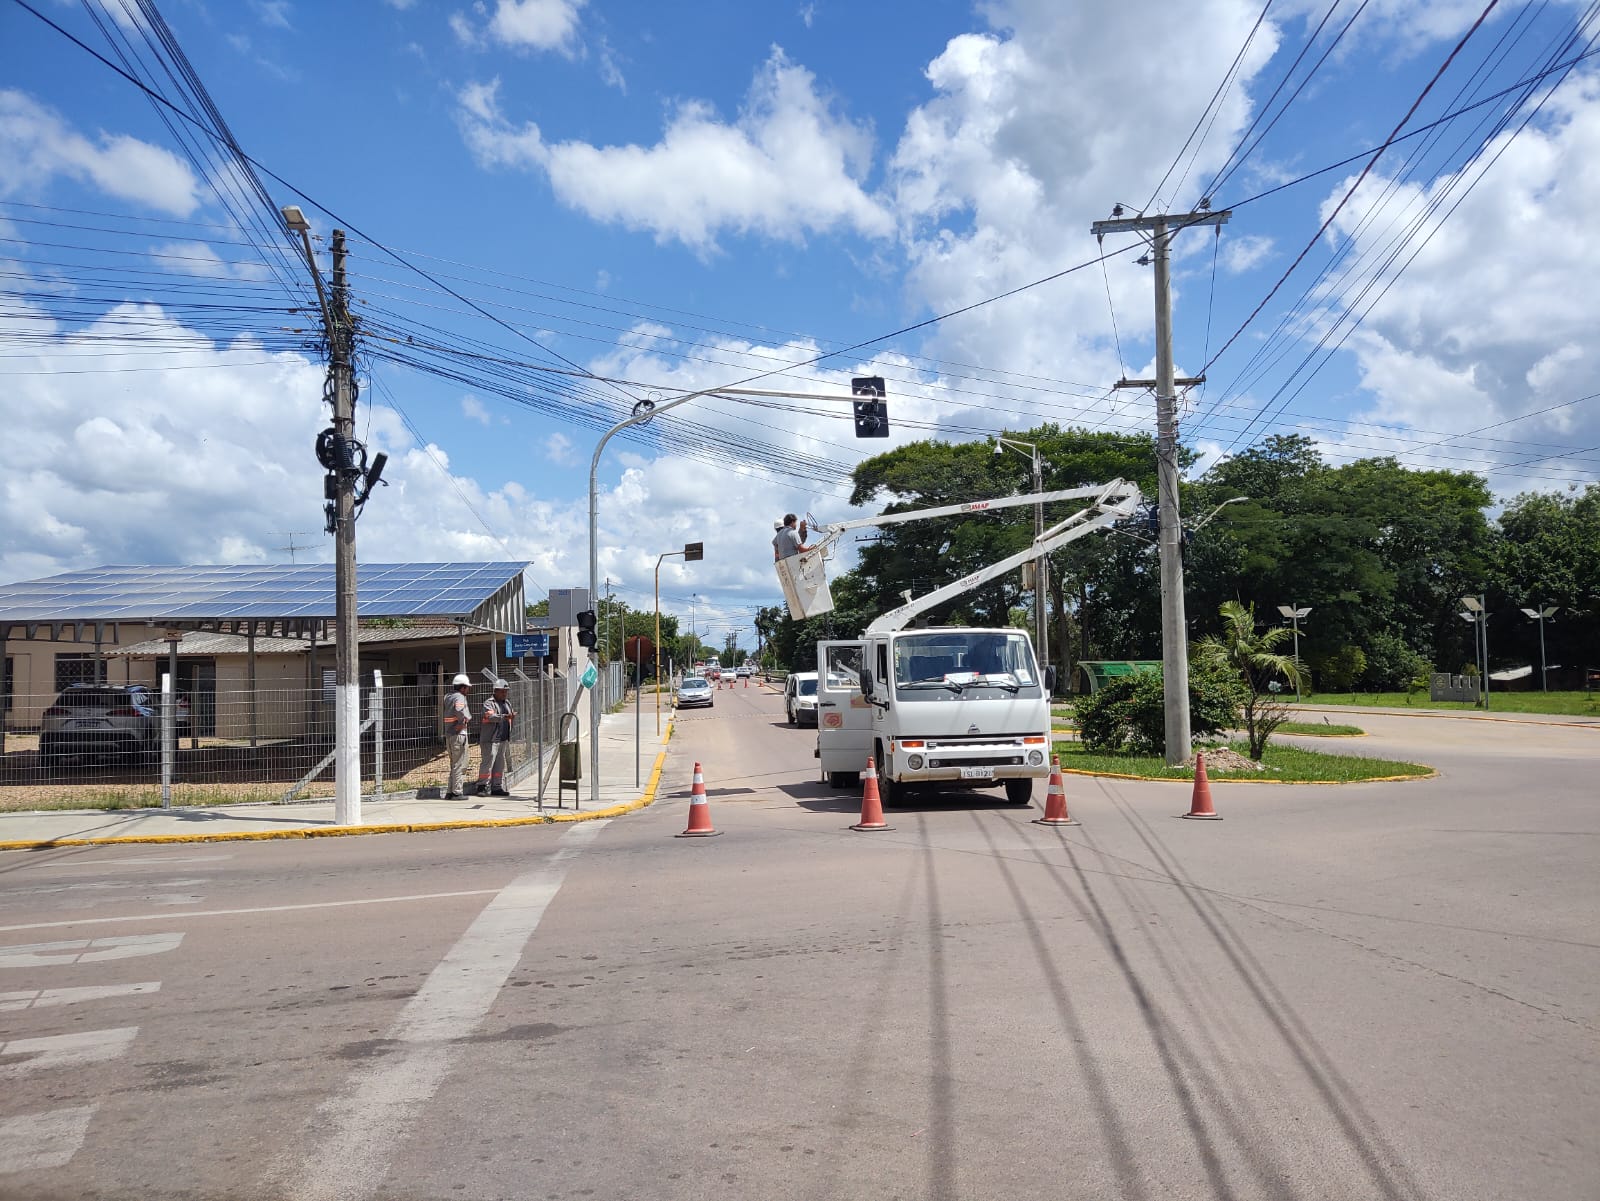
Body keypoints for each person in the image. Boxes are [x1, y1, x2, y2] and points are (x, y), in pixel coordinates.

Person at [476, 679, 516, 797]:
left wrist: (511, 716)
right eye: (503, 692)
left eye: (506, 692)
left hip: (503, 739)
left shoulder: (507, 703)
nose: (505, 694)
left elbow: (510, 716)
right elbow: (490, 716)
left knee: (500, 763)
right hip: (490, 740)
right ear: (496, 691)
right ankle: (482, 786)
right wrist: (505, 716)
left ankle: (496, 786)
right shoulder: (489, 703)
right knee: (488, 763)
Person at [441, 673, 472, 798]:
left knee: (454, 764)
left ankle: (449, 791)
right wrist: (463, 721)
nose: (468, 690)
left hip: (449, 734)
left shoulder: (448, 696)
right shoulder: (459, 697)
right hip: (459, 735)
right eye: (467, 687)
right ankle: (457, 792)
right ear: (463, 687)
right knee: (459, 764)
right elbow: (459, 710)